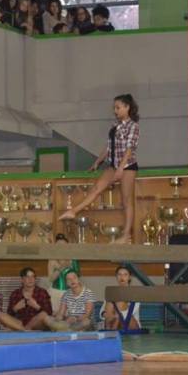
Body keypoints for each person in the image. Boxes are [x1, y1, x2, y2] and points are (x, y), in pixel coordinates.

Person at [59, 94, 140, 244]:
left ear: (127, 107)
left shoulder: (133, 126)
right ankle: (73, 211)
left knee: (126, 200)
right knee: (97, 187)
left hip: (128, 166)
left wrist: (121, 169)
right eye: (114, 108)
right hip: (114, 165)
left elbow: (129, 149)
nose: (115, 111)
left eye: (118, 107)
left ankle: (126, 235)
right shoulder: (114, 126)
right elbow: (108, 147)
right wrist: (97, 161)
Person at [47, 233, 80, 311]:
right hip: (56, 293)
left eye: (64, 245)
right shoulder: (52, 260)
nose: (62, 248)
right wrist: (62, 267)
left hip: (71, 292)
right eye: (59, 245)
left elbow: (78, 275)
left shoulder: (73, 259)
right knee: (57, 317)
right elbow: (50, 279)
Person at [101, 266, 141, 331]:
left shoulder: (134, 292)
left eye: (125, 274)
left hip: (131, 324)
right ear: (116, 277)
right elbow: (102, 310)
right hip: (113, 320)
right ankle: (110, 330)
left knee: (119, 303)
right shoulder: (112, 292)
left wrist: (117, 315)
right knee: (110, 302)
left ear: (129, 277)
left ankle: (111, 332)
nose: (122, 277)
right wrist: (105, 314)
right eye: (119, 274)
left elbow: (132, 311)